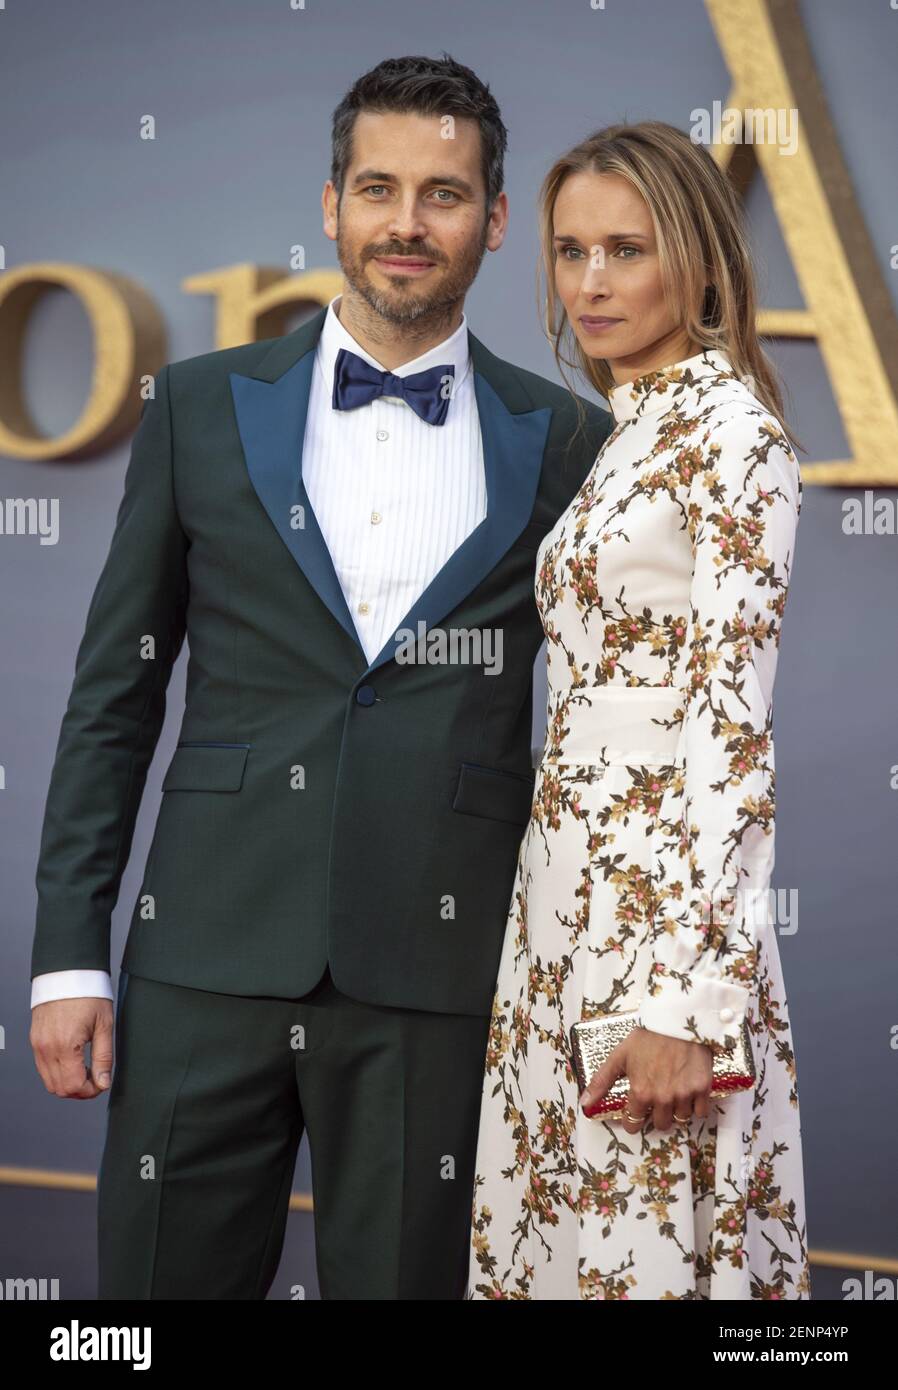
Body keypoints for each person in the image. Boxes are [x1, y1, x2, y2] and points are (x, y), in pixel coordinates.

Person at [28, 53, 611, 1300]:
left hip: (440, 978)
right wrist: (69, 954)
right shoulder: (195, 406)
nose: (408, 223)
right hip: (202, 956)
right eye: (379, 188)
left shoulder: (568, 441)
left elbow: (616, 736)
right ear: (333, 203)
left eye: (445, 195)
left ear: (496, 221)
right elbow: (113, 698)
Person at [467, 120, 811, 1300]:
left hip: (657, 932)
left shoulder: (733, 436)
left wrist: (687, 1002)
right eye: (570, 251)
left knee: (645, 1258)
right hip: (561, 903)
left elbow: (730, 724)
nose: (592, 281)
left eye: (626, 248)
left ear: (703, 263)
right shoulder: (628, 430)